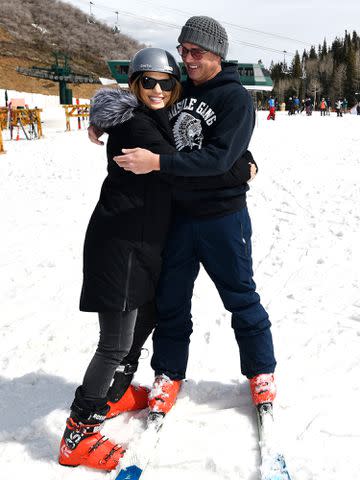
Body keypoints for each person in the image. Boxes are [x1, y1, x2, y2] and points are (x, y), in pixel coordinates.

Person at [60, 47, 256, 471]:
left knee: (146, 318)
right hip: (122, 243)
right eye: (147, 81)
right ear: (135, 84)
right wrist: (241, 168)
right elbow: (188, 161)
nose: (157, 89)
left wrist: (236, 156)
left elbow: (196, 148)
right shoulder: (139, 129)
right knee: (113, 343)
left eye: (166, 82)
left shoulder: (157, 119)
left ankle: (114, 394)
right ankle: (77, 432)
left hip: (147, 243)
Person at [101, 16, 277, 416]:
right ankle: (168, 373)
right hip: (177, 217)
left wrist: (161, 164)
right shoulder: (178, 91)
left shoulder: (235, 99)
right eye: (183, 51)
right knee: (172, 301)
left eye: (195, 52)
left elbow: (219, 159)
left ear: (217, 54)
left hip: (222, 218)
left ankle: (261, 371)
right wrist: (100, 115)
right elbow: (137, 105)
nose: (188, 59)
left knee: (240, 296)